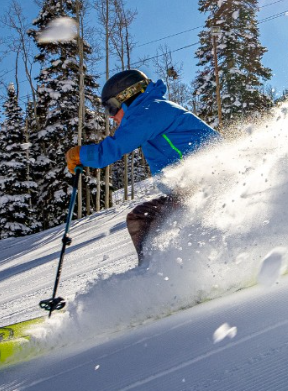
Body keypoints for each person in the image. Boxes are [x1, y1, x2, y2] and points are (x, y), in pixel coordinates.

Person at [65, 69, 218, 264]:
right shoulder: (152, 109)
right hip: (195, 187)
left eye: (111, 108)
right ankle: (169, 272)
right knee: (144, 220)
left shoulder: (149, 111)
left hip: (205, 184)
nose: (111, 117)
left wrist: (81, 155)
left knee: (142, 220)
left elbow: (114, 148)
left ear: (128, 96)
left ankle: (157, 273)